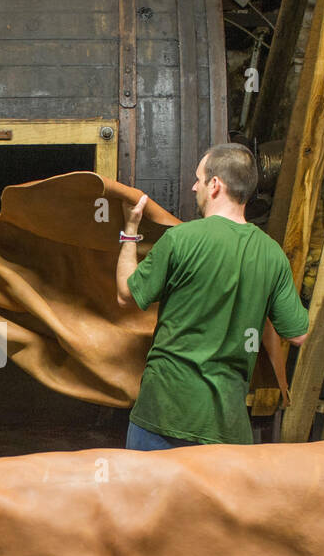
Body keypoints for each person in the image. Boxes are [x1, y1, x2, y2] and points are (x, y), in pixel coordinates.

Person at [115, 142, 309, 450]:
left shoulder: (180, 239)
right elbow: (298, 334)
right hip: (226, 426)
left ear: (215, 185)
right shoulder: (272, 254)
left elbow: (126, 295)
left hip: (163, 414)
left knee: (148, 499)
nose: (195, 187)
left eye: (199, 179)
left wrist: (130, 232)